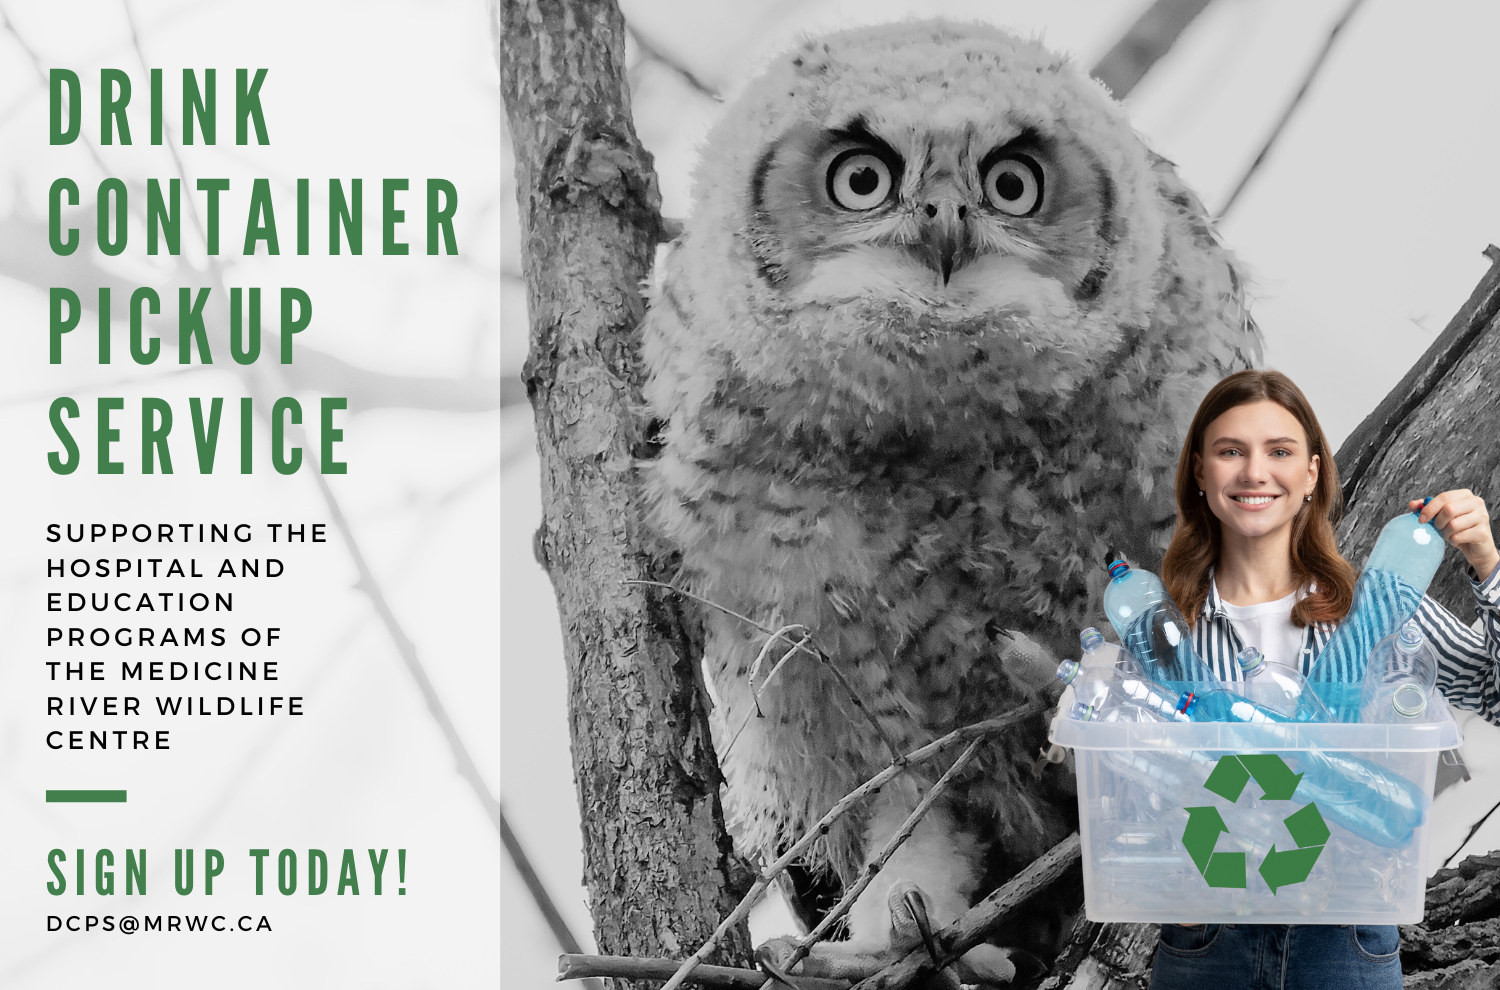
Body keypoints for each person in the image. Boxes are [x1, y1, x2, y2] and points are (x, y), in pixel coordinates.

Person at [1147, 369, 1500, 990]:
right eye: (1231, 451)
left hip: (1345, 938)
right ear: (1200, 473)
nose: (1255, 472)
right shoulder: (1163, 629)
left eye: (1279, 452)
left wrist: (1487, 566)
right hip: (1209, 935)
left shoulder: (1381, 613)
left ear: (1312, 473)